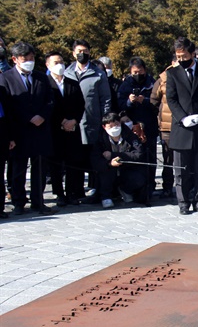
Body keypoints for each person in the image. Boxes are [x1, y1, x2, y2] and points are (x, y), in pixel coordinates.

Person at [0, 41, 54, 215]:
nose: (29, 61)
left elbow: (50, 101)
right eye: (25, 58)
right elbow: (8, 106)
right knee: (18, 168)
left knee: (39, 167)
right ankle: (18, 202)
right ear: (15, 59)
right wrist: (27, 118)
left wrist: (42, 116)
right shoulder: (6, 77)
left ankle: (39, 202)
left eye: (32, 58)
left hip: (40, 129)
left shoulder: (41, 77)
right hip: (19, 131)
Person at [166, 37, 198, 215]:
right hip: (182, 128)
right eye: (178, 56)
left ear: (192, 53)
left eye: (184, 55)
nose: (181, 59)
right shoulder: (172, 73)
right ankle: (183, 203)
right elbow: (171, 100)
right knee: (181, 170)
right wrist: (183, 118)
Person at [64, 39, 111, 202]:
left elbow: (105, 98)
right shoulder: (67, 72)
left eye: (85, 50)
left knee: (94, 159)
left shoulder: (98, 73)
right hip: (72, 124)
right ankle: (73, 192)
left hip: (92, 122)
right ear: (73, 53)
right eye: (78, 51)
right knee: (73, 159)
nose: (82, 54)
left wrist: (104, 119)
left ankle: (98, 192)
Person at [45, 51, 86, 206]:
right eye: (56, 62)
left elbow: (81, 105)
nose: (60, 65)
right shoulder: (46, 83)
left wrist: (73, 121)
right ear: (48, 65)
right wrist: (62, 121)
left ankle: (71, 192)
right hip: (55, 129)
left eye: (61, 61)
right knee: (56, 163)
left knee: (72, 161)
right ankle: (59, 193)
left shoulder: (72, 83)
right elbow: (48, 106)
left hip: (72, 129)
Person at [117, 57, 159, 198]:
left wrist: (145, 101)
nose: (137, 74)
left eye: (140, 71)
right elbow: (119, 105)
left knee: (151, 158)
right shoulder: (125, 85)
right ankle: (133, 188)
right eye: (134, 72)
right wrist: (129, 101)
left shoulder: (152, 82)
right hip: (131, 128)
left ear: (145, 70)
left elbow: (157, 103)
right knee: (134, 158)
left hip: (150, 126)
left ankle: (150, 186)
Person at [92, 113, 147, 208]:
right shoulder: (100, 139)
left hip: (127, 169)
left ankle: (125, 191)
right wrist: (109, 163)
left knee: (138, 178)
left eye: (117, 124)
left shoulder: (130, 136)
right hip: (109, 170)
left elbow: (138, 154)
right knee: (105, 173)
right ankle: (106, 197)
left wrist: (115, 155)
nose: (115, 128)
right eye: (111, 126)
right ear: (104, 127)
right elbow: (96, 161)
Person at [150, 55, 178, 199]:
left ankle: (184, 187)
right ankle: (167, 187)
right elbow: (153, 101)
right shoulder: (162, 79)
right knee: (168, 160)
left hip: (183, 125)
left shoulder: (187, 76)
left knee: (184, 159)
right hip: (166, 126)